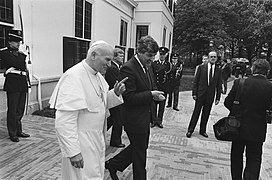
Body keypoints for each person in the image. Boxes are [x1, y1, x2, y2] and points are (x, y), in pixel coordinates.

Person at [49, 41, 127, 180]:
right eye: (107, 60)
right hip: (81, 143)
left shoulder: (97, 76)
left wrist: (114, 93)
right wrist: (73, 152)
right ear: (93, 55)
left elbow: (99, 105)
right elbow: (64, 121)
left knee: (94, 175)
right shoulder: (74, 76)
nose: (109, 64)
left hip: (96, 139)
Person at [105, 35, 164, 180]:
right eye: (149, 55)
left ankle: (113, 164)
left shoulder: (147, 66)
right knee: (140, 154)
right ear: (140, 52)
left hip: (145, 117)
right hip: (134, 119)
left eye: (153, 56)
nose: (152, 59)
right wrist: (150, 94)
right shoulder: (128, 68)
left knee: (139, 149)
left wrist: (155, 96)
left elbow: (150, 86)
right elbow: (128, 98)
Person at [224, 59, 272, 180]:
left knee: (236, 156)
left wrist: (237, 111)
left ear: (252, 68)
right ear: (267, 71)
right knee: (254, 159)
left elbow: (228, 102)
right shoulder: (270, 87)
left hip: (238, 126)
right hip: (258, 129)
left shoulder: (240, 82)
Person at [0, 30, 30, 142]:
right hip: (12, 84)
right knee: (12, 109)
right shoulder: (4, 53)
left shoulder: (22, 55)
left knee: (20, 109)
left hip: (22, 83)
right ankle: (12, 133)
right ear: (9, 42)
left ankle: (19, 130)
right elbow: (9, 65)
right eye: (16, 41)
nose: (18, 44)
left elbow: (24, 69)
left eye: (19, 41)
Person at [186, 51, 222, 138]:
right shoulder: (201, 68)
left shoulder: (218, 70)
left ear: (216, 59)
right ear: (208, 58)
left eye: (214, 57)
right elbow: (196, 82)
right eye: (211, 57)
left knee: (206, 113)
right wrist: (194, 93)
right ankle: (190, 130)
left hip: (210, 95)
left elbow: (218, 85)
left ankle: (203, 130)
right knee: (196, 113)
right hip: (200, 94)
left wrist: (218, 98)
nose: (213, 58)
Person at [105, 48, 125, 148]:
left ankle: (101, 133)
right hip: (114, 96)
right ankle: (116, 141)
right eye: (121, 56)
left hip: (115, 96)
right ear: (115, 57)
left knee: (112, 119)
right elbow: (114, 83)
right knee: (118, 120)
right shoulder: (113, 68)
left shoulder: (117, 67)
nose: (123, 58)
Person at [150, 47, 171, 128]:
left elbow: (169, 77)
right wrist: (153, 87)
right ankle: (153, 121)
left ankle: (159, 121)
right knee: (153, 105)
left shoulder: (168, 65)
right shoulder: (154, 64)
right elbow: (152, 76)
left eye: (163, 54)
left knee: (162, 106)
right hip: (156, 87)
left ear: (166, 55)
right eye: (160, 54)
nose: (161, 56)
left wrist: (168, 88)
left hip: (164, 87)